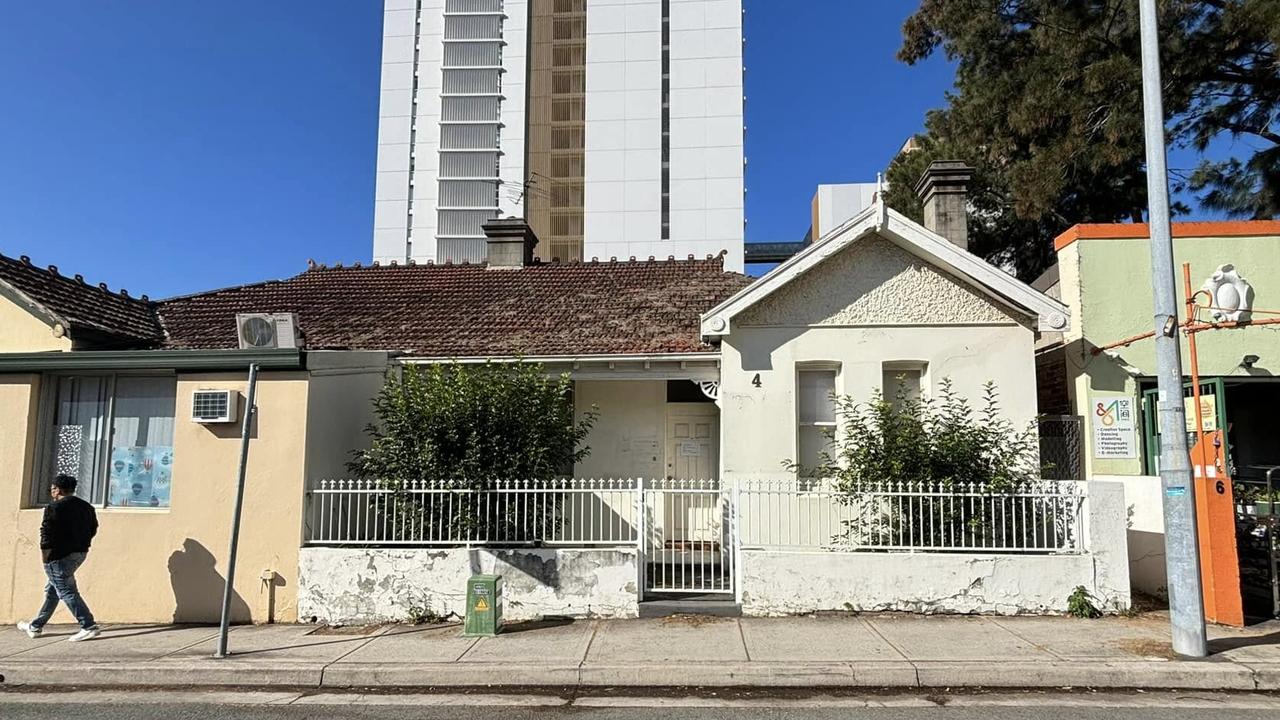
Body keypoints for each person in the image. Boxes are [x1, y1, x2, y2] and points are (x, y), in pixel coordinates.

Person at [16, 475, 101, 642]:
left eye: (53, 488)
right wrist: (82, 544)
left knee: (66, 591)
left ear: (58, 489)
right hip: (79, 554)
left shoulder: (54, 507)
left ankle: (88, 625)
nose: (52, 492)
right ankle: (36, 625)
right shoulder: (87, 507)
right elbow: (93, 528)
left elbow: (46, 535)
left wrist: (45, 557)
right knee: (53, 590)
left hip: (58, 556)